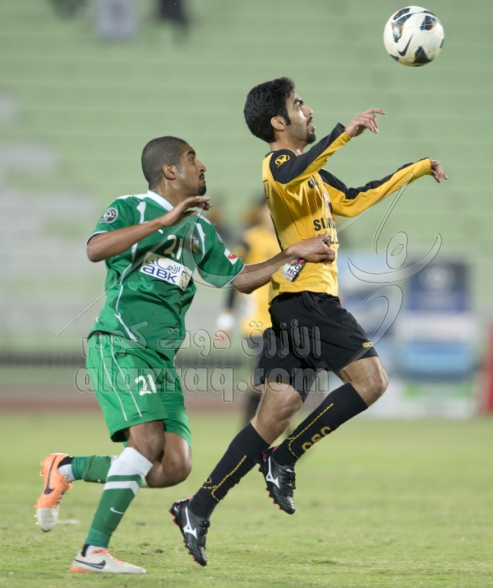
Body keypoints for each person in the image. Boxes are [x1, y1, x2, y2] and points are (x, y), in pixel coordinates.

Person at [170, 77, 448, 566]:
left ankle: (197, 507)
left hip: (292, 304)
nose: (308, 109)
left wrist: (416, 168)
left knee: (274, 413)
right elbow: (296, 170)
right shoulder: (278, 165)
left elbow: (355, 199)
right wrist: (346, 133)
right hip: (309, 301)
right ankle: (286, 456)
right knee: (372, 381)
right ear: (279, 122)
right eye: (299, 104)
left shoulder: (313, 175)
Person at [34, 135, 334, 574]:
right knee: (147, 444)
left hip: (161, 359)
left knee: (175, 466)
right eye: (193, 158)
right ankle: (92, 552)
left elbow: (240, 279)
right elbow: (95, 249)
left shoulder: (199, 230)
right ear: (170, 170)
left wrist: (291, 254)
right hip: (121, 343)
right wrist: (163, 221)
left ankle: (67, 467)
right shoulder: (132, 207)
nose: (202, 165)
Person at [215, 198, 280, 424]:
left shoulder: (289, 240)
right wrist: (226, 319)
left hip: (283, 319)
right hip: (256, 321)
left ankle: (254, 429)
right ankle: (268, 429)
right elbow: (234, 275)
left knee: (271, 377)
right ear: (260, 212)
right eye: (268, 210)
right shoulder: (250, 239)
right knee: (268, 374)